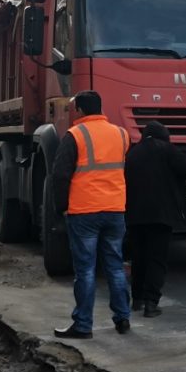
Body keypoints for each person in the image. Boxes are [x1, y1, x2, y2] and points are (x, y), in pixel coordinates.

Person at [51, 91, 132, 338]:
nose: (72, 112)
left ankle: (83, 325)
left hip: (84, 211)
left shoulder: (75, 135)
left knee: (85, 270)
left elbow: (60, 174)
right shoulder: (122, 134)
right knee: (115, 266)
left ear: (81, 111)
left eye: (74, 109)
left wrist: (61, 206)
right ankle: (123, 319)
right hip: (115, 209)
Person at [123, 121, 186, 318]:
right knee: (157, 259)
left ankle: (136, 299)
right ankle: (151, 303)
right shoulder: (168, 150)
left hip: (135, 215)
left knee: (139, 257)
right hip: (161, 216)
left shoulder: (133, 153)